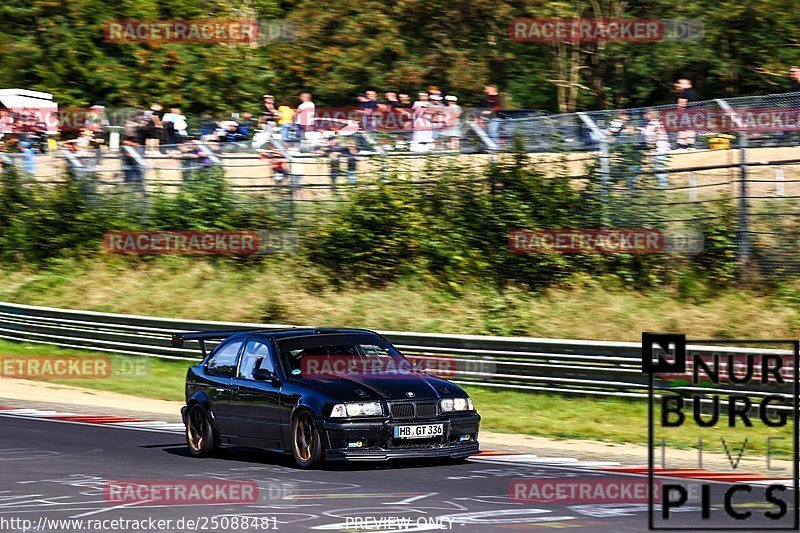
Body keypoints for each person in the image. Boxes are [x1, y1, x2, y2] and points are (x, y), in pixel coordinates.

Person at [640, 110, 670, 187]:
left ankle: (663, 186)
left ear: (651, 114)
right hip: (658, 148)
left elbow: (650, 134)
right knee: (655, 166)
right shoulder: (656, 123)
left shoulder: (654, 123)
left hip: (659, 148)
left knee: (659, 167)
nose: (645, 115)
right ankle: (660, 184)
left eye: (647, 114)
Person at [675, 79, 697, 149]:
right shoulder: (693, 92)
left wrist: (678, 114)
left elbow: (682, 103)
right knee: (691, 129)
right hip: (694, 113)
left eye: (680, 83)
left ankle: (682, 145)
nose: (679, 85)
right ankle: (690, 145)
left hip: (685, 113)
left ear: (686, 84)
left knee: (683, 129)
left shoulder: (684, 92)